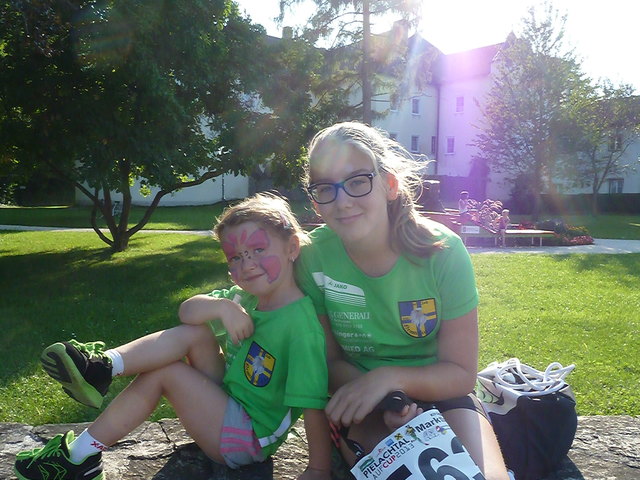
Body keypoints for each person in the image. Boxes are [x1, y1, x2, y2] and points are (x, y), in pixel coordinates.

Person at [15, 192, 331, 480]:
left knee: (167, 373)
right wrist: (222, 307)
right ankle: (102, 366)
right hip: (227, 405)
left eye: (258, 249)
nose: (247, 264)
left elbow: (312, 403)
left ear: (292, 248)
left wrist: (318, 469)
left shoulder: (300, 327)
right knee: (197, 331)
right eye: (235, 257)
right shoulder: (243, 298)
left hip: (246, 440)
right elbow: (187, 312)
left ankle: (79, 457)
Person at [295, 122, 511, 480]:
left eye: (357, 181)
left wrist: (390, 379)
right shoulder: (312, 257)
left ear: (390, 185)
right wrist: (384, 397)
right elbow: (327, 363)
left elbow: (460, 375)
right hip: (362, 404)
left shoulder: (443, 252)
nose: (342, 200)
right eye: (325, 188)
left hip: (443, 395)